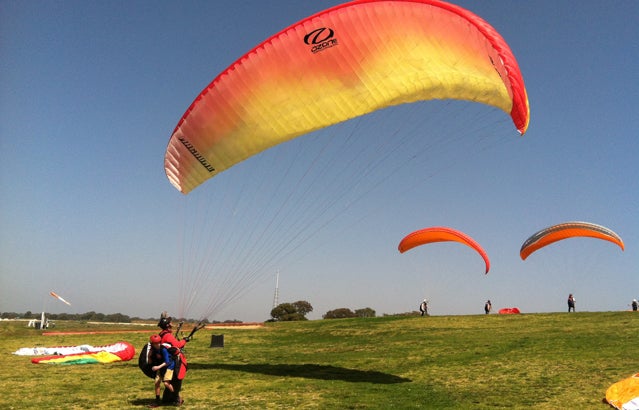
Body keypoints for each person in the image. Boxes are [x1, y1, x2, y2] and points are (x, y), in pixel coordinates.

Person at [157, 313, 189, 406]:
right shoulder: (168, 335)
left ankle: (167, 399)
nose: (172, 323)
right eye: (170, 322)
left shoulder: (162, 334)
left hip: (167, 360)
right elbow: (178, 345)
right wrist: (185, 340)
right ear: (167, 325)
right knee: (176, 381)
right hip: (173, 361)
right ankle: (176, 399)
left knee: (170, 380)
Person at [148, 335, 174, 407]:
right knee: (157, 382)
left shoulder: (163, 349)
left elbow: (167, 362)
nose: (157, 344)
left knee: (166, 383)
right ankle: (157, 400)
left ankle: (176, 397)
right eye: (154, 343)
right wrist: (149, 356)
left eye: (158, 342)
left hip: (169, 366)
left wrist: (158, 367)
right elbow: (150, 362)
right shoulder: (153, 349)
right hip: (161, 367)